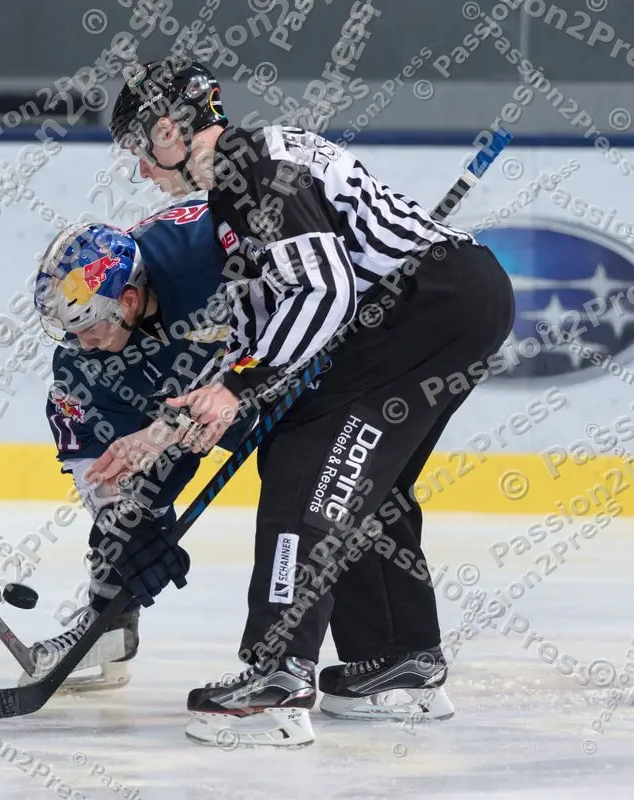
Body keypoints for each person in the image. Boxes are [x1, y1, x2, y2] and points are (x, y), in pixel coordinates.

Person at [78, 58, 514, 747]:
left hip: (423, 309)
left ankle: (276, 678)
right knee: (364, 487)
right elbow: (266, 317)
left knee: (306, 465)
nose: (140, 168)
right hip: (450, 302)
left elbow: (324, 291)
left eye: (139, 147)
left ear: (168, 129)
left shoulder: (246, 166)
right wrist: (174, 424)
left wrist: (240, 389)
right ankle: (399, 662)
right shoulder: (242, 178)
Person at [27, 198, 252, 691]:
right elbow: (95, 460)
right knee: (126, 519)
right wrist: (123, 522)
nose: (78, 342)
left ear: (127, 300)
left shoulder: (202, 258)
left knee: (303, 511)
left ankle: (292, 663)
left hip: (275, 384)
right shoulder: (84, 366)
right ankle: (108, 633)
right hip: (182, 407)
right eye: (70, 328)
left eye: (87, 327)